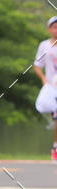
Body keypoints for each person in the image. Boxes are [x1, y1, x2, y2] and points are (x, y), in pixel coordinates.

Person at [33, 15, 57, 160]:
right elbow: (37, 66)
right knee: (56, 117)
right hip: (52, 88)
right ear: (49, 29)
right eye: (54, 27)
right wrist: (43, 79)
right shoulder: (44, 46)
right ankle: (55, 146)